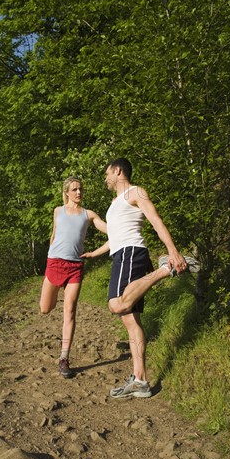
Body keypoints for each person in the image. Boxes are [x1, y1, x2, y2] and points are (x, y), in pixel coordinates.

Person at [81, 158, 200, 398]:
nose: (105, 178)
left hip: (131, 253)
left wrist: (172, 252)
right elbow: (114, 236)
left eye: (107, 173)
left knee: (116, 304)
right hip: (121, 253)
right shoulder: (114, 203)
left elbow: (156, 221)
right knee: (131, 321)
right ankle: (140, 380)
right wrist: (95, 253)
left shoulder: (136, 192)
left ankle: (166, 269)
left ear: (118, 171)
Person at [39, 176, 107, 378]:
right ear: (67, 192)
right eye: (75, 189)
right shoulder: (58, 211)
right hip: (54, 264)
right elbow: (54, 234)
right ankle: (49, 288)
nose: (79, 192)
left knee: (69, 311)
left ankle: (64, 358)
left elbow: (106, 227)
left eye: (80, 189)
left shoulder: (88, 215)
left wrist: (123, 224)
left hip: (75, 267)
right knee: (45, 309)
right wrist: (50, 258)